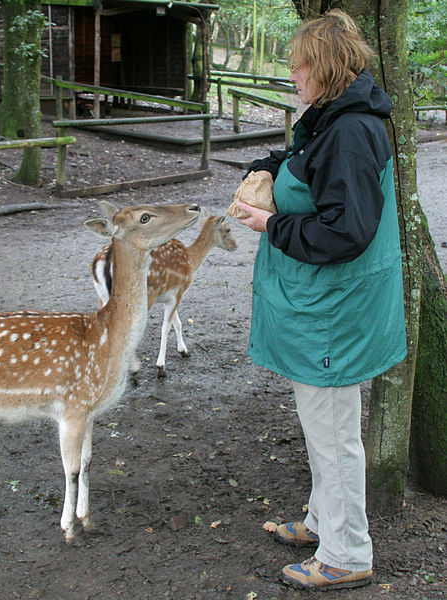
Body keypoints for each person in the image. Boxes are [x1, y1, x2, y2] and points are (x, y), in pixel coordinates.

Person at [235, 9, 407, 591]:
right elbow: (312, 165)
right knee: (322, 427)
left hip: (334, 314)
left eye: (298, 68)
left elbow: (345, 232)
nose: (293, 78)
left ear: (325, 68)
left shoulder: (354, 132)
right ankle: (320, 523)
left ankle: (347, 554)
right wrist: (271, 164)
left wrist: (269, 225)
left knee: (333, 435)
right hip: (322, 309)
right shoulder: (335, 119)